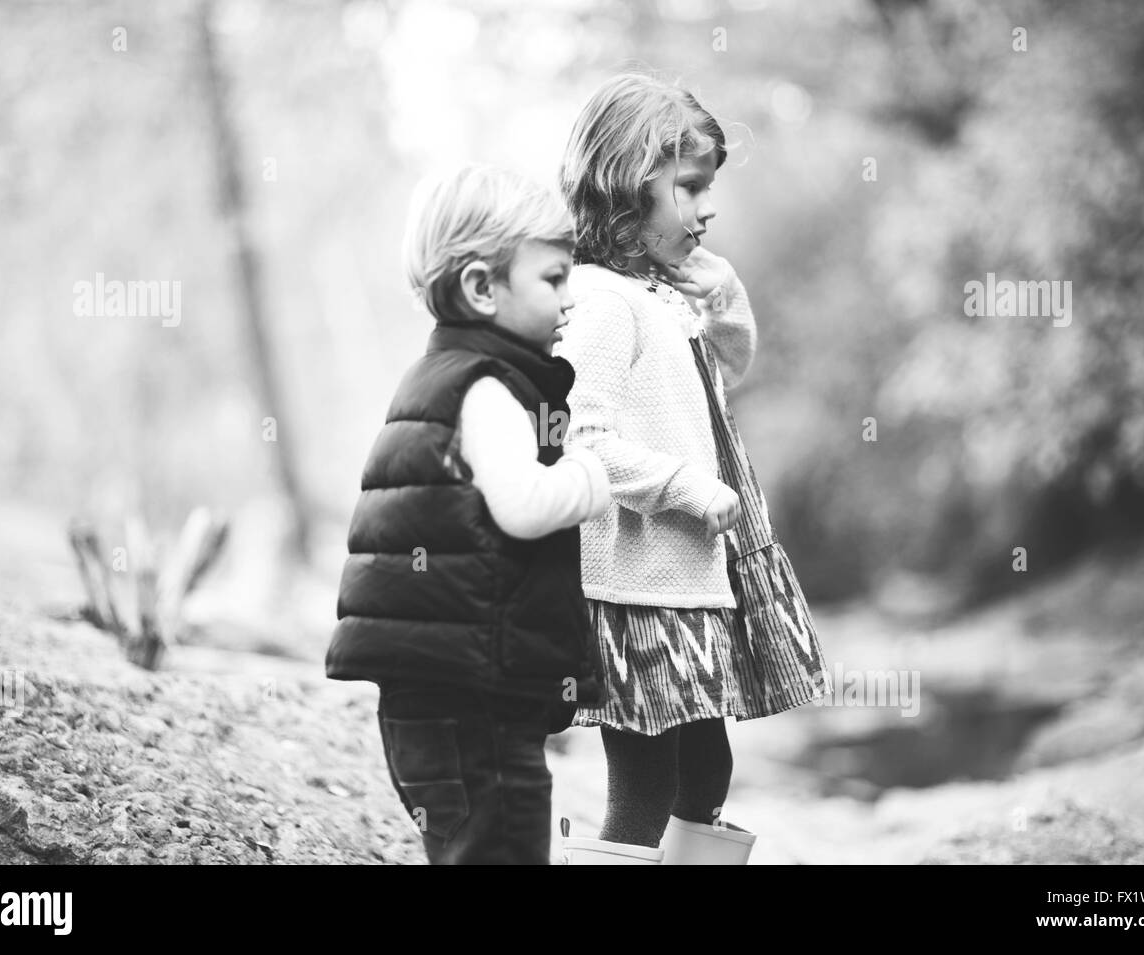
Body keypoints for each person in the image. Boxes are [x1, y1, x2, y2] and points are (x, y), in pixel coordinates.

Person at [555, 73, 832, 865]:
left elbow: (724, 369)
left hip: (687, 579)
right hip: (638, 589)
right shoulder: (603, 302)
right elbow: (581, 438)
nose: (708, 209)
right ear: (625, 182)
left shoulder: (654, 292)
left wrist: (725, 296)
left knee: (706, 769)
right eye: (690, 187)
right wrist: (682, 487)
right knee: (645, 784)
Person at [326, 164, 610, 865]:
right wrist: (592, 473)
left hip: (432, 697)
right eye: (554, 279)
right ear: (483, 288)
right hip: (476, 698)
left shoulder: (436, 379)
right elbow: (524, 506)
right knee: (504, 844)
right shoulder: (486, 389)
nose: (570, 297)